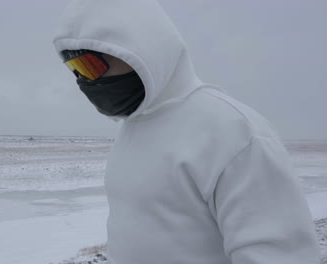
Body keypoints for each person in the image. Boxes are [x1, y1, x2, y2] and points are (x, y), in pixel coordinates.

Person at [52, 0, 321, 263]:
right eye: (75, 69)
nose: (83, 80)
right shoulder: (132, 127)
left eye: (89, 65)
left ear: (139, 49)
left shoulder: (234, 132)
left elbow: (280, 255)